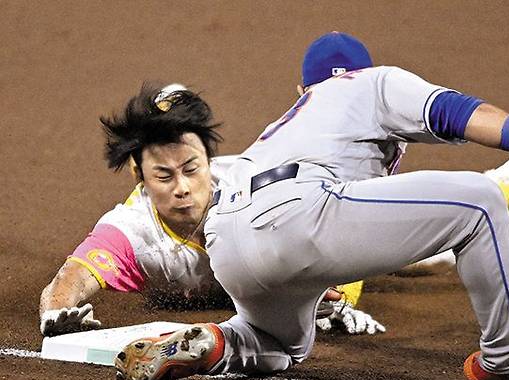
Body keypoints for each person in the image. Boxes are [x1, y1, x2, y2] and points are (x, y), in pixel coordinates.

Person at [115, 31, 509, 380]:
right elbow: (458, 112)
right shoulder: (370, 82)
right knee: (480, 202)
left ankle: (217, 344)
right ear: (356, 71)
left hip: (229, 238)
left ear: (303, 87)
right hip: (301, 213)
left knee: (277, 343)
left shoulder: (289, 123)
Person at [39, 84, 384, 338]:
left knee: (391, 248)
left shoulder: (250, 186)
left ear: (209, 161)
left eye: (192, 169)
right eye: (163, 175)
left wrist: (338, 296)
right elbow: (70, 279)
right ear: (140, 178)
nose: (183, 187)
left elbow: (334, 212)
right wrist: (58, 312)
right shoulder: (130, 231)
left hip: (260, 262)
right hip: (233, 278)